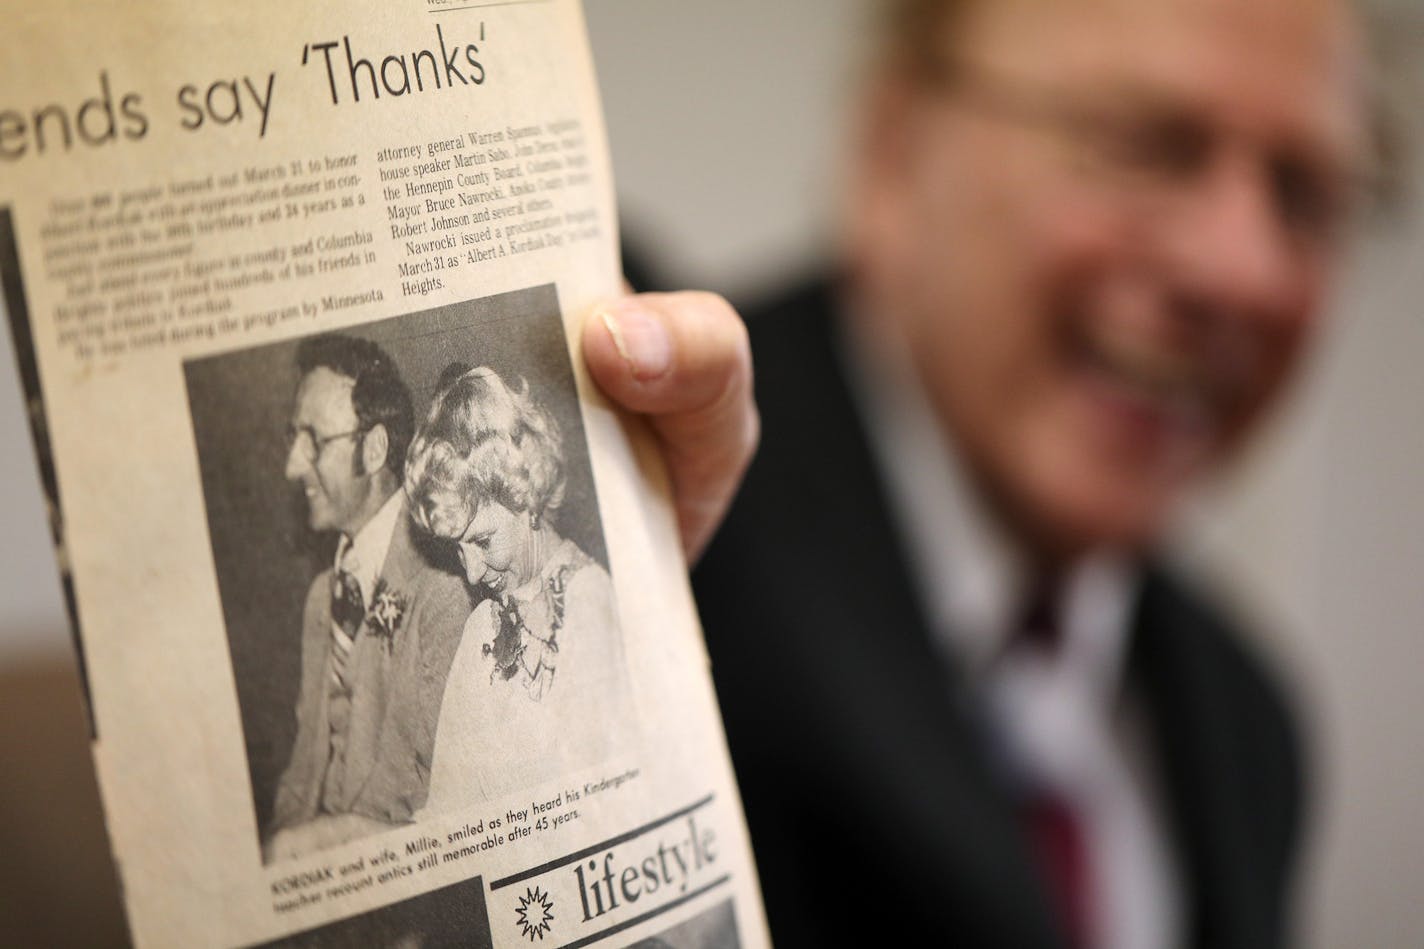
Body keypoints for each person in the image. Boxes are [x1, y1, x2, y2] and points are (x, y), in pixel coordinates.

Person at [677, 0, 1376, 947]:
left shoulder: (1249, 727)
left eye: (1304, 195)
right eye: (1147, 145)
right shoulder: (670, 541)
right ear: (891, 153)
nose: (1242, 270)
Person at [265, 334, 472, 861]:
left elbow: (427, 804)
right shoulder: (321, 599)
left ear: (374, 448)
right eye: (295, 438)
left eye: (314, 441)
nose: (293, 465)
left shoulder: (445, 587)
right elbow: (301, 777)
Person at [404, 365, 630, 811]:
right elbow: (447, 809)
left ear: (523, 496)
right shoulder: (480, 630)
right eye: (457, 550)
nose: (471, 573)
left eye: (482, 541)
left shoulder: (590, 601)